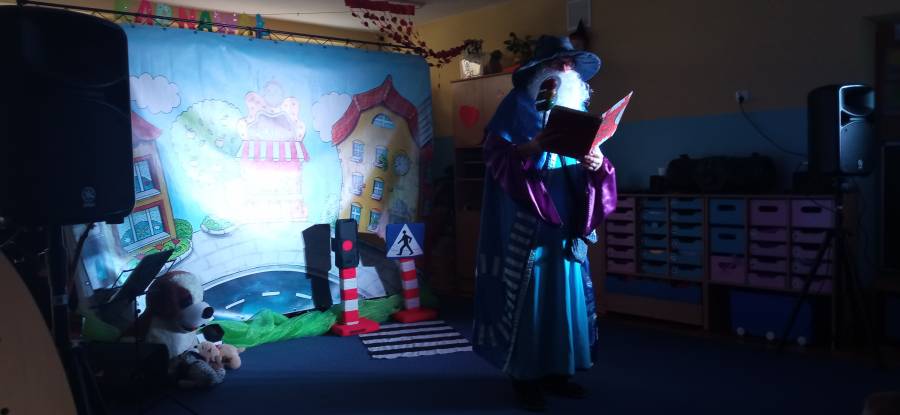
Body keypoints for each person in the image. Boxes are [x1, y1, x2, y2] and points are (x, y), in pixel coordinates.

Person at [471, 35, 617, 412]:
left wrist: (597, 164)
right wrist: (533, 147)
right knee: (532, 294)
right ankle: (525, 377)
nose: (565, 69)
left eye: (570, 63)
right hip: (530, 215)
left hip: (569, 216)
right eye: (557, 63)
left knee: (566, 294)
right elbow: (495, 155)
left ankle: (558, 372)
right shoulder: (516, 104)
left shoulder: (578, 107)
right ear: (539, 70)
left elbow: (597, 161)